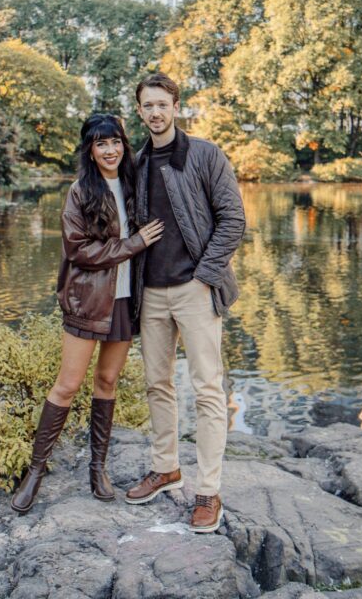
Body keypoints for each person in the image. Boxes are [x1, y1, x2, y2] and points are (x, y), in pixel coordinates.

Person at [11, 113, 164, 514]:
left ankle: (98, 469)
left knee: (108, 380)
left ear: (123, 145)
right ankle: (36, 472)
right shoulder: (81, 191)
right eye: (101, 144)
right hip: (88, 299)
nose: (110, 150)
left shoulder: (135, 184)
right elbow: (79, 250)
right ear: (90, 151)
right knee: (67, 384)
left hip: (126, 300)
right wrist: (132, 244)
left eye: (115, 142)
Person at [125, 72, 246, 533]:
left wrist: (204, 277)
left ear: (176, 105)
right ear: (140, 111)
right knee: (157, 385)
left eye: (162, 104)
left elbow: (232, 219)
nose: (155, 112)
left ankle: (208, 492)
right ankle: (166, 468)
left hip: (195, 289)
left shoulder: (205, 155)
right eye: (147, 106)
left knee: (209, 390)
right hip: (150, 293)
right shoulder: (135, 163)